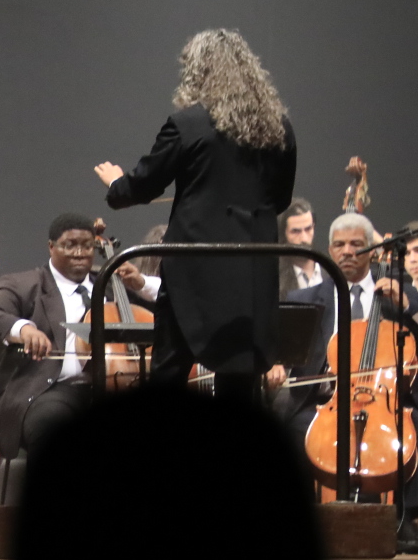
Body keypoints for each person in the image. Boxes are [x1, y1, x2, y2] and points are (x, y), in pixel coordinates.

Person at [96, 28, 297, 400]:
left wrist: (116, 184)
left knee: (170, 370)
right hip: (251, 269)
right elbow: (280, 198)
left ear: (198, 72)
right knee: (239, 382)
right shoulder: (278, 127)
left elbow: (144, 186)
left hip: (194, 268)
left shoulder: (188, 125)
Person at [276, 212, 418, 546]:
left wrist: (407, 306)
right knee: (293, 431)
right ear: (329, 250)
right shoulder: (305, 299)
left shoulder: (399, 292)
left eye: (356, 244)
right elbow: (279, 347)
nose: (347, 251)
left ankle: (406, 520)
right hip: (324, 401)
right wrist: (274, 364)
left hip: (385, 400)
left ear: (372, 250)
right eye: (339, 245)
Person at [0, 213, 155, 463]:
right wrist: (25, 330)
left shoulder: (110, 284)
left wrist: (141, 283)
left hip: (111, 386)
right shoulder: (24, 284)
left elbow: (164, 309)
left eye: (87, 246)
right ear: (51, 247)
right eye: (70, 245)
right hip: (49, 388)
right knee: (51, 421)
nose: (80, 253)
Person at [279, 199, 320, 295]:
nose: (304, 239)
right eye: (295, 231)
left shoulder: (332, 273)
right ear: (284, 234)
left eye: (308, 229)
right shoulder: (274, 280)